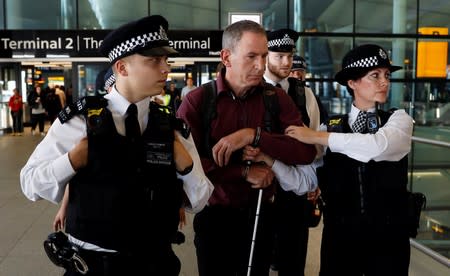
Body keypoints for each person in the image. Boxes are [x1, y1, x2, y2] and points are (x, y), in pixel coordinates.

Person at [21, 15, 213, 276]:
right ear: (121, 68)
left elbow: (200, 201)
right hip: (94, 266)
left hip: (156, 263)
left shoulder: (171, 128)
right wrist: (72, 160)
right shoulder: (80, 122)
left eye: (166, 60)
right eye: (154, 61)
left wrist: (186, 165)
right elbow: (30, 183)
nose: (165, 69)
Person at [177, 20, 316, 276]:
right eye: (251, 56)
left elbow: (305, 151)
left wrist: (255, 136)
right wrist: (242, 172)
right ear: (226, 57)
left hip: (262, 215)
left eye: (264, 56)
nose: (261, 65)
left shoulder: (275, 99)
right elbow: (188, 166)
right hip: (214, 217)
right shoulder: (197, 102)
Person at [285, 44, 414, 276]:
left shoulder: (399, 119)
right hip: (340, 239)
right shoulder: (331, 127)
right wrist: (268, 159)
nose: (384, 82)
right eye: (374, 75)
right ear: (352, 83)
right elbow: (304, 181)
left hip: (388, 240)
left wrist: (315, 136)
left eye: (386, 75)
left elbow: (376, 146)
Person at [261, 28, 325, 276]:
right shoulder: (253, 90)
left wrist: (315, 179)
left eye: (290, 55)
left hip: (296, 188)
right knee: (258, 257)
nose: (286, 62)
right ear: (265, 56)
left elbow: (316, 143)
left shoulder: (303, 92)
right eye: (279, 56)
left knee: (294, 257)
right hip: (261, 186)